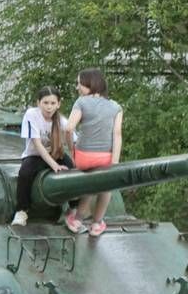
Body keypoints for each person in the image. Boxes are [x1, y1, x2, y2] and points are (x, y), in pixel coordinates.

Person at [64, 68, 122, 237]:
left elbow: (68, 129)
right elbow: (117, 134)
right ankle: (97, 224)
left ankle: (77, 219)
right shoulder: (116, 107)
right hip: (105, 157)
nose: (77, 88)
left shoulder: (81, 102)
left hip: (83, 156)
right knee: (106, 186)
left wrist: (71, 149)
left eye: (79, 83)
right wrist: (115, 162)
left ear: (90, 84)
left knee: (90, 181)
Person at [12, 87, 71, 227]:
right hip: (35, 156)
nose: (49, 107)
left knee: (74, 170)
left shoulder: (61, 121)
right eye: (45, 103)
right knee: (25, 173)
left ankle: (72, 210)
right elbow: (37, 145)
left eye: (52, 103)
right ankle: (22, 211)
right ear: (38, 103)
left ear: (58, 104)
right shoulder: (32, 115)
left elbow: (73, 140)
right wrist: (54, 166)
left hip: (56, 154)